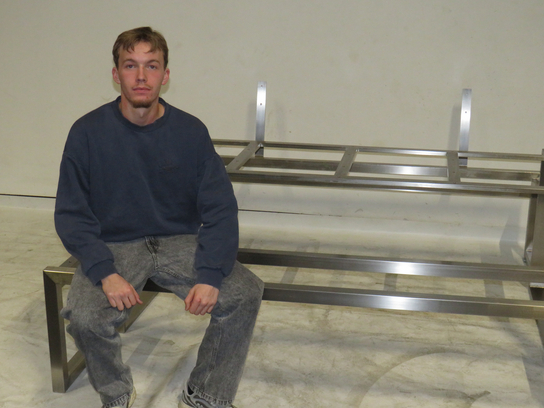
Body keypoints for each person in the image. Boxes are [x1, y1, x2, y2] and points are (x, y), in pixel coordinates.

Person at [55, 27, 264, 408]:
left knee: (244, 293)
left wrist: (210, 274)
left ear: (165, 75)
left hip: (178, 240)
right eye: (130, 65)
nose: (141, 76)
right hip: (115, 244)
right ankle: (117, 393)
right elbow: (71, 213)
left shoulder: (190, 131)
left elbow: (220, 207)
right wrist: (105, 272)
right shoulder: (86, 133)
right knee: (85, 318)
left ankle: (206, 394)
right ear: (116, 74)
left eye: (151, 66)